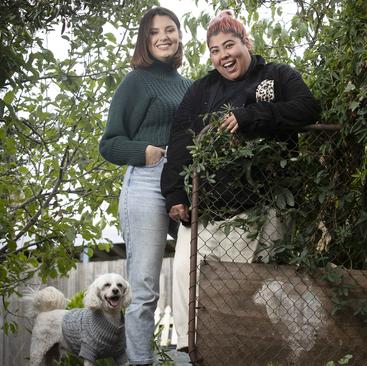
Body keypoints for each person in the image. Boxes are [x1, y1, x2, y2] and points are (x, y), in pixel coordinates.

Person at [160, 9, 320, 351]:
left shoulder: (275, 76)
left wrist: (252, 117)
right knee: (188, 279)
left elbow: (308, 108)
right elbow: (179, 139)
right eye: (215, 50)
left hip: (260, 205)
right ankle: (194, 348)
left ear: (246, 43)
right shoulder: (202, 89)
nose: (223, 56)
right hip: (207, 205)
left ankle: (255, 349)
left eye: (229, 45)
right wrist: (175, 192)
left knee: (252, 287)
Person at [98, 7, 192, 365]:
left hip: (185, 182)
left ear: (180, 36)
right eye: (155, 32)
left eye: (171, 29)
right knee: (145, 286)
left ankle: (199, 353)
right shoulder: (136, 81)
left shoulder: (190, 86)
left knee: (201, 267)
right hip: (148, 182)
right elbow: (109, 143)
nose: (164, 36)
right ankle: (140, 362)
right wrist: (146, 151)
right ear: (146, 40)